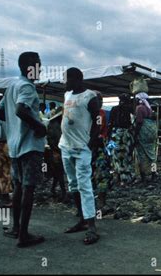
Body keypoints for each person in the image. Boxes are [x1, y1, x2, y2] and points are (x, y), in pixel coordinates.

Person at [0, 51, 47, 247]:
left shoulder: (11, 86)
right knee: (28, 189)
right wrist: (38, 126)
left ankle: (16, 228)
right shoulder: (27, 86)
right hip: (30, 145)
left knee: (18, 187)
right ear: (29, 67)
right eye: (38, 65)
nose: (40, 69)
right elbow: (20, 110)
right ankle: (23, 235)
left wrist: (15, 129)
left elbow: (0, 113)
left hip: (15, 146)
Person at [59, 67, 100, 245]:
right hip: (65, 146)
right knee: (73, 185)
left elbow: (96, 122)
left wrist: (91, 143)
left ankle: (92, 227)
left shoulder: (90, 97)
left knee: (84, 185)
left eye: (67, 79)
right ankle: (82, 219)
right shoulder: (67, 95)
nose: (65, 82)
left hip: (81, 147)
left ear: (77, 79)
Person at [92, 91, 112, 210]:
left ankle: (101, 201)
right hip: (90, 147)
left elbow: (101, 130)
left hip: (98, 147)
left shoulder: (101, 113)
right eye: (97, 100)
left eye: (101, 100)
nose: (100, 103)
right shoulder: (93, 113)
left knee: (102, 174)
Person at [108, 93, 134, 185]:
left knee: (115, 156)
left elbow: (110, 124)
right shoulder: (130, 109)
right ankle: (125, 178)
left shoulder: (114, 109)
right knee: (126, 156)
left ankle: (118, 177)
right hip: (125, 136)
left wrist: (109, 137)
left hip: (115, 135)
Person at [133, 92, 158, 183]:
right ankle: (154, 173)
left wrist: (135, 135)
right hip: (151, 132)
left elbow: (139, 122)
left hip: (143, 133)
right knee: (151, 155)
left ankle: (143, 176)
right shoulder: (149, 108)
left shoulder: (139, 108)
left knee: (141, 155)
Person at [45, 109, 66, 201]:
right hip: (56, 151)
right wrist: (56, 151)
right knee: (59, 172)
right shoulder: (55, 125)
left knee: (57, 173)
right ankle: (63, 192)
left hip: (54, 151)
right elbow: (55, 140)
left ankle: (53, 189)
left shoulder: (53, 124)